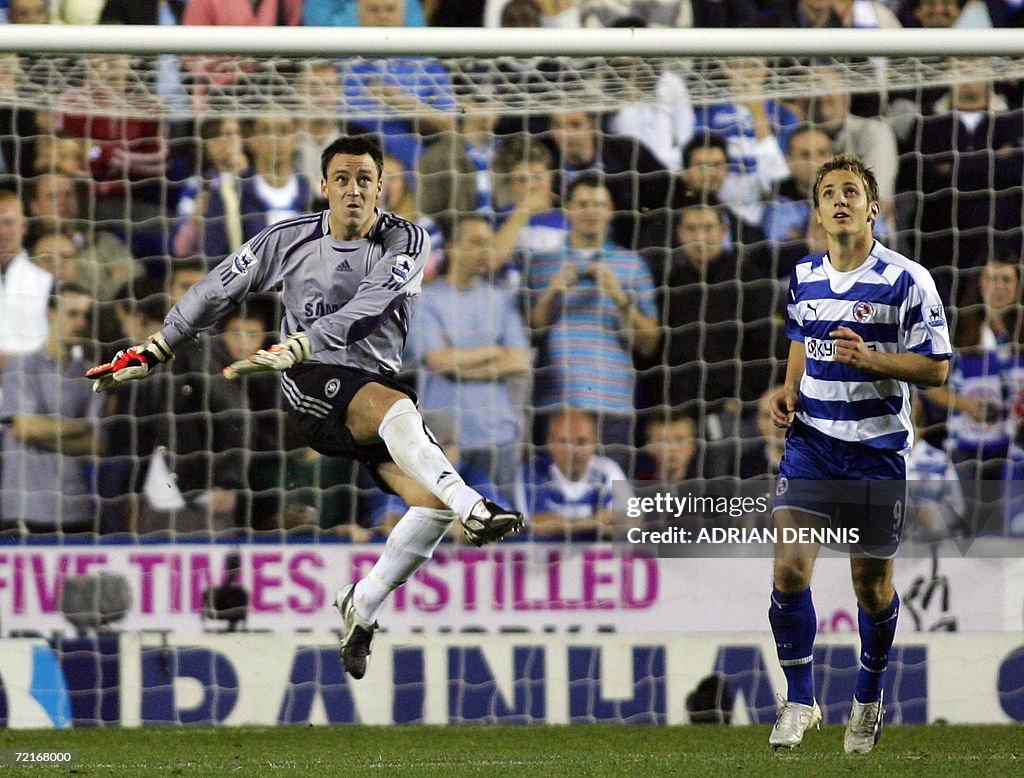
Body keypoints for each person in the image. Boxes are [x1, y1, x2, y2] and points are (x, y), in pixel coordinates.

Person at [86, 135, 524, 679]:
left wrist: (308, 337)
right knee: (397, 412)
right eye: (341, 179)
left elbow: (370, 307)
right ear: (323, 187)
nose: (353, 189)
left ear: (381, 188)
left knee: (428, 502)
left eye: (365, 179)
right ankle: (474, 506)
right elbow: (216, 289)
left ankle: (362, 605)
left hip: (363, 389)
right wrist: (157, 347)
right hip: (310, 388)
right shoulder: (286, 240)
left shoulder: (407, 240)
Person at [767, 154, 951, 753]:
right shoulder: (804, 277)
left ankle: (868, 698)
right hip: (812, 445)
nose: (840, 199)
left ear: (874, 208)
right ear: (817, 212)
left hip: (876, 453)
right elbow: (800, 336)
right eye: (828, 193)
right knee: (790, 570)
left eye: (852, 191)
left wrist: (872, 359)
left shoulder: (908, 279)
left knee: (870, 587)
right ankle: (799, 699)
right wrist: (790, 390)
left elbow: (937, 368)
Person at [413, 214, 531, 500]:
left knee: (501, 527)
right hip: (444, 437)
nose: (485, 251)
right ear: (452, 247)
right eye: (477, 242)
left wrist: (459, 366)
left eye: (489, 244)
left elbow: (519, 360)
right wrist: (493, 351)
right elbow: (437, 360)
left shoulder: (500, 299)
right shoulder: (426, 299)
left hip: (497, 434)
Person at [1, 283, 101, 534]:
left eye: (85, 316)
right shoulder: (22, 366)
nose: (81, 322)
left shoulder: (94, 374)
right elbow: (25, 429)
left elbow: (96, 445)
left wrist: (43, 431)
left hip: (78, 508)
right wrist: (81, 426)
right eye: (72, 314)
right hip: (25, 509)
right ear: (50, 314)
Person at [515, 407, 633, 540]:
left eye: (581, 442)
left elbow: (635, 519)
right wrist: (593, 523)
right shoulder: (533, 470)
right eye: (564, 442)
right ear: (549, 442)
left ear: (595, 443)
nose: (573, 450)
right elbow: (536, 524)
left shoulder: (607, 469)